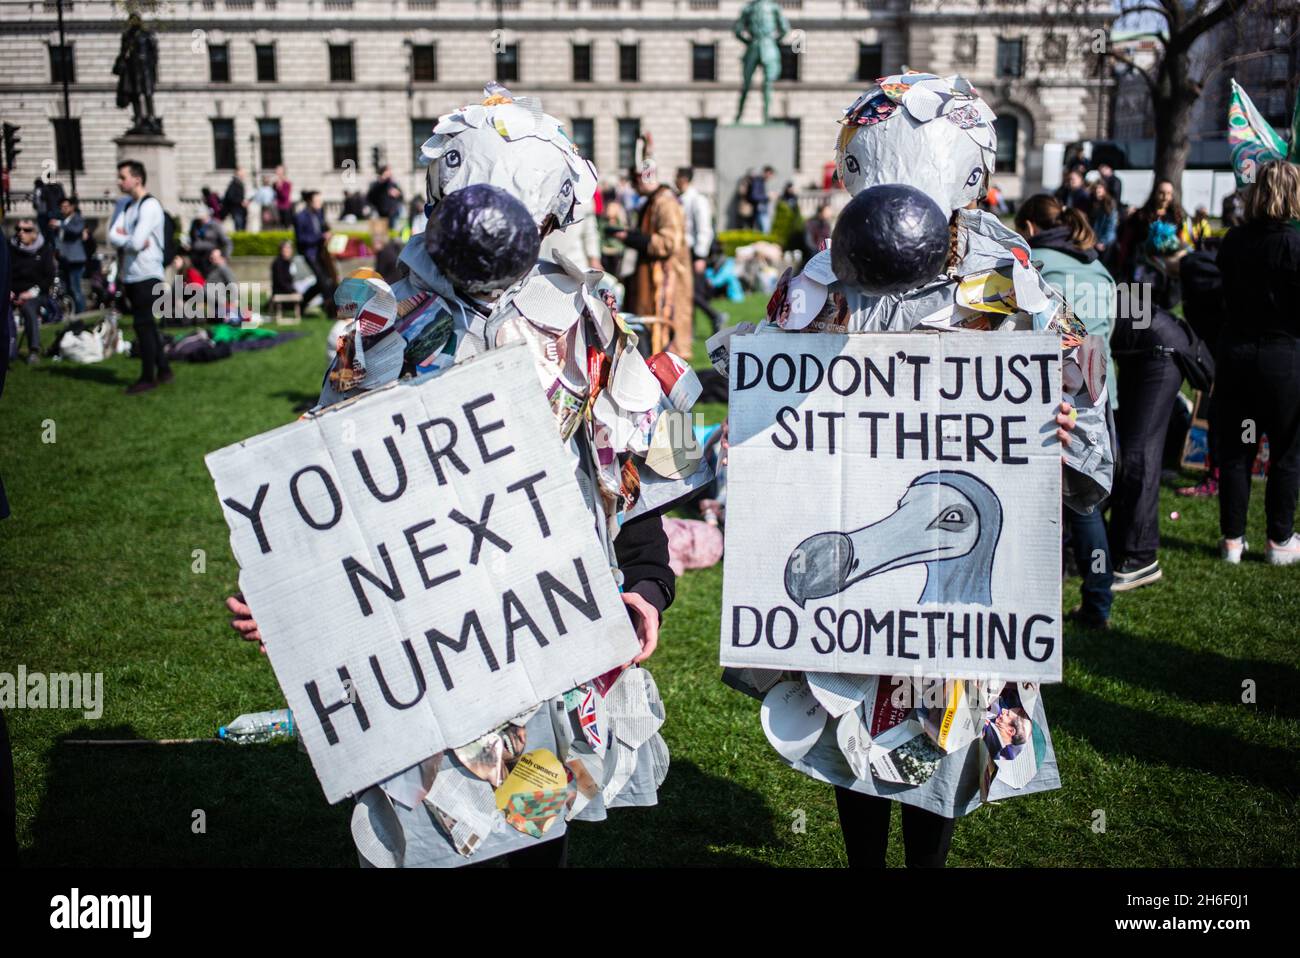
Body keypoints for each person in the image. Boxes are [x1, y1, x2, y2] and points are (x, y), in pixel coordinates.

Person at [227, 85, 683, 870]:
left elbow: (624, 463)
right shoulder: (380, 320)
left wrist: (645, 580)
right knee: (437, 820)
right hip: (423, 625)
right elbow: (331, 472)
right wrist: (296, 601)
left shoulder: (587, 319)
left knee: (537, 816)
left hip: (548, 618)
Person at [732, 72, 1100, 868]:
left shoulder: (1013, 278)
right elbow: (770, 402)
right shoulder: (821, 279)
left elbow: (1085, 429)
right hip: (857, 573)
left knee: (945, 722)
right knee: (856, 716)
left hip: (960, 574)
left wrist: (1062, 429)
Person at [1015, 194, 1117, 628]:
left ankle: (1039, 605)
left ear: (1030, 228)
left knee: (1040, 503)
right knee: (1086, 500)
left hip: (1051, 389)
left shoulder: (1029, 265)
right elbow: (1107, 331)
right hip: (1098, 388)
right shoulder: (1099, 267)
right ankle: (1098, 602)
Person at [1214, 160, 1300, 565]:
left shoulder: (1234, 240)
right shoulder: (1295, 245)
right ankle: (1279, 540)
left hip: (1238, 356)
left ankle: (1233, 539)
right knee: (1284, 451)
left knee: (1239, 448)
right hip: (1282, 360)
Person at [613, 146, 694, 359]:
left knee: (663, 343)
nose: (634, 185)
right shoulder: (654, 200)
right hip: (654, 280)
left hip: (667, 282)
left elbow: (670, 242)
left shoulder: (665, 201)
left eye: (636, 179)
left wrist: (632, 238)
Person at [108, 159, 173, 393]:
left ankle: (148, 376)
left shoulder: (150, 206)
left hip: (148, 274)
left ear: (137, 178)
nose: (119, 182)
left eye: (123, 177)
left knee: (143, 325)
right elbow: (113, 236)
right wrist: (129, 239)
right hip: (131, 275)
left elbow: (135, 241)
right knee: (147, 326)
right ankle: (164, 369)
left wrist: (128, 238)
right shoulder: (126, 205)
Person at [1117, 179, 1192, 306]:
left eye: (1168, 194)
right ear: (1154, 193)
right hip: (1142, 269)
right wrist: (1122, 262)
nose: (1165, 197)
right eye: (1161, 193)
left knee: (1161, 308)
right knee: (1140, 307)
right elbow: (1127, 241)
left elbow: (1181, 242)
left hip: (1165, 270)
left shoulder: (1176, 217)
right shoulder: (1141, 215)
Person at [676, 167, 721, 335]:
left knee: (693, 292)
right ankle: (690, 330)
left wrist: (701, 255)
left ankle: (715, 315)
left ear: (684, 179)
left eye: (678, 177)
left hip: (694, 252)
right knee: (686, 293)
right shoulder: (682, 199)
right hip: (685, 251)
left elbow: (704, 229)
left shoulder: (697, 200)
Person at [8, 217, 57, 364]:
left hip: (35, 293)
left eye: (26, 230)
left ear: (34, 233)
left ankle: (33, 350)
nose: (21, 233)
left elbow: (48, 277)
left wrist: (30, 293)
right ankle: (9, 350)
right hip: (11, 291)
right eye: (18, 229)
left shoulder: (45, 250)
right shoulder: (10, 248)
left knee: (29, 309)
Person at [294, 190, 336, 318]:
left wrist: (328, 234)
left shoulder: (319, 214)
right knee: (323, 281)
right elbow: (301, 239)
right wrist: (319, 237)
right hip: (310, 253)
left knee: (325, 280)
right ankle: (330, 311)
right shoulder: (300, 217)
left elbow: (323, 228)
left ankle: (301, 304)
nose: (320, 203)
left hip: (321, 253)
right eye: (317, 201)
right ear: (309, 202)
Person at [55, 196, 88, 316]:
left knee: (76, 287)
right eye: (61, 207)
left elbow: (75, 230)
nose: (63, 209)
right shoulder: (62, 221)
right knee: (68, 288)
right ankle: (72, 311)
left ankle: (81, 312)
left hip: (76, 259)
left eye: (66, 206)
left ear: (72, 207)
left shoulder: (76, 219)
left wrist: (60, 224)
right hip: (65, 259)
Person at [366, 165, 404, 231]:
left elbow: (401, 196)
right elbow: (370, 197)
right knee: (381, 232)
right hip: (380, 212)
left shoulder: (393, 184)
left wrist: (397, 193)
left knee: (392, 231)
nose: (390, 173)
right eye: (388, 171)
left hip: (392, 212)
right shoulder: (376, 184)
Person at [1088, 182, 1118, 256]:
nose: (1097, 190)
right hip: (1095, 241)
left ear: (1104, 190)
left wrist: (1103, 242)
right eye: (1095, 188)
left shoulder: (1109, 205)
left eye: (1100, 188)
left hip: (1106, 242)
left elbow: (1111, 227)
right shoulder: (1093, 203)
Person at [750, 165, 774, 234]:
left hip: (761, 209)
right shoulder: (758, 181)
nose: (771, 177)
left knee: (763, 231)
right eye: (770, 174)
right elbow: (754, 196)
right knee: (765, 231)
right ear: (767, 173)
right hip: (760, 210)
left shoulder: (761, 181)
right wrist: (768, 197)